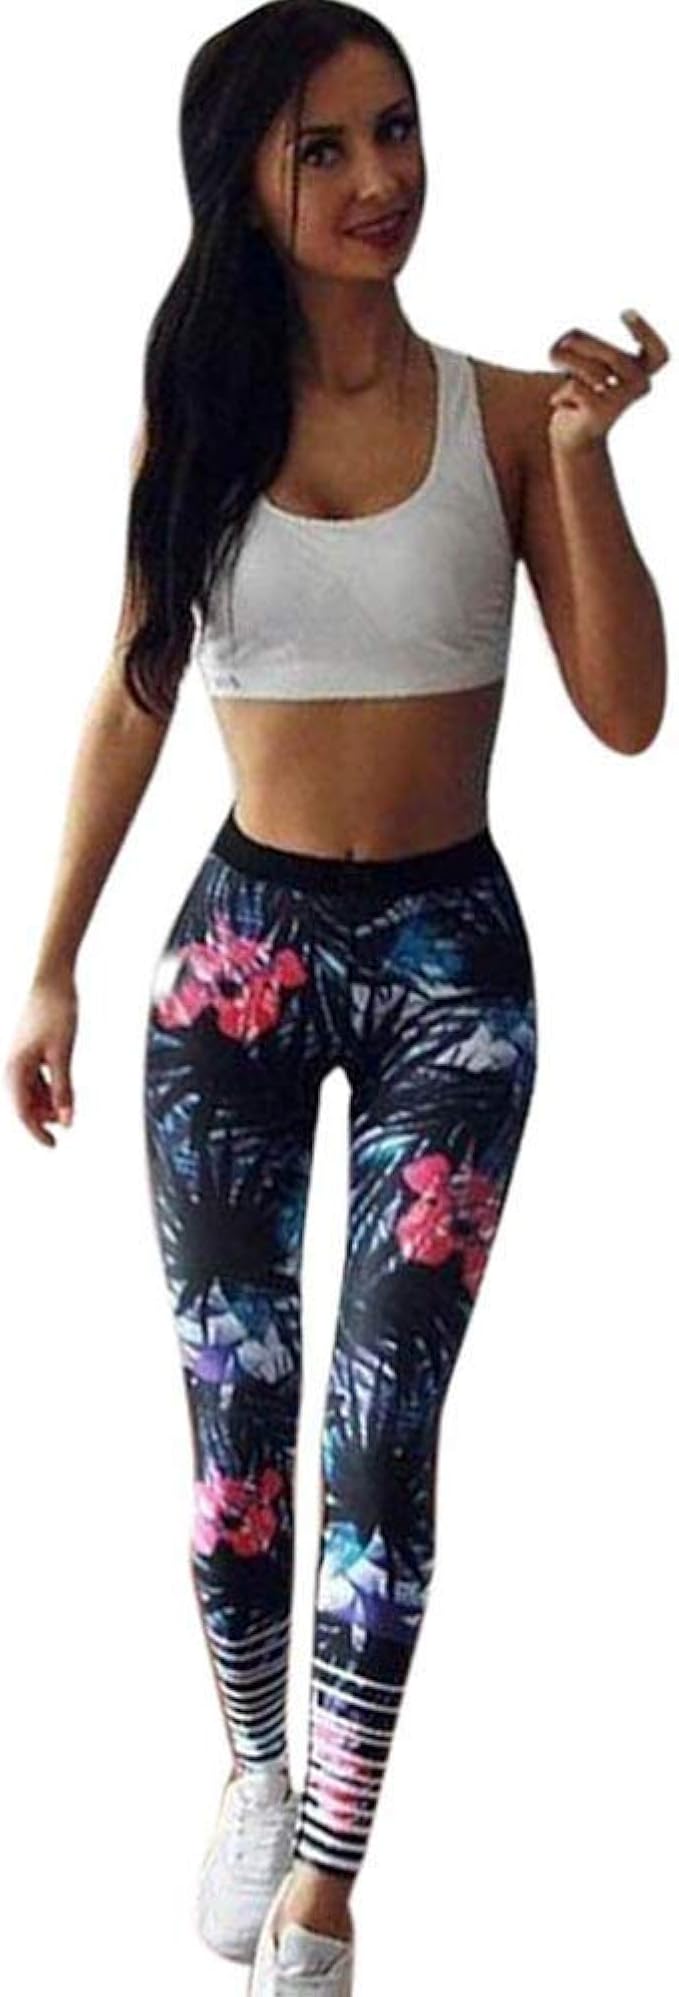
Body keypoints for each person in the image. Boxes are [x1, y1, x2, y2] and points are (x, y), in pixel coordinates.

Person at [4, 4, 668, 1993]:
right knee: (241, 1431)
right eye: (326, 148)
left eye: (397, 128)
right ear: (247, 185)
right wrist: (49, 957)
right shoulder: (196, 422)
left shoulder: (505, 416)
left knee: (382, 1435)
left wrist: (584, 467)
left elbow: (627, 714)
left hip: (452, 973)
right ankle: (249, 1762)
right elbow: (135, 695)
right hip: (237, 967)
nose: (383, 177)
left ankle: (324, 1884)